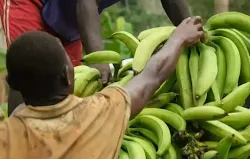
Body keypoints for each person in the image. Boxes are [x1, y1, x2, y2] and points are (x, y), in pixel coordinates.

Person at [0, 16, 204, 159]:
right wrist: (178, 38)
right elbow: (151, 78)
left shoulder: (5, 137)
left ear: (11, 83)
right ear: (67, 76)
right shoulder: (102, 112)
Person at [0, 0, 191, 116]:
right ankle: (16, 147)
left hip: (68, 19)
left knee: (67, 84)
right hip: (30, 3)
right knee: (28, 65)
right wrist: (99, 60)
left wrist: (191, 28)